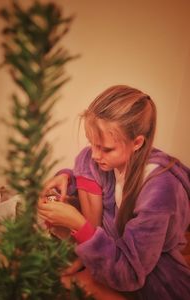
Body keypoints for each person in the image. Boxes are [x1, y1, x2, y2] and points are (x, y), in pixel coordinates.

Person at [38, 85, 190, 299]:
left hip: (150, 278)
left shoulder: (161, 189)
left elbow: (129, 274)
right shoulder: (105, 162)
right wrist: (66, 177)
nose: (95, 155)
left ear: (137, 142)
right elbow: (91, 176)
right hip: (106, 254)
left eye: (106, 149)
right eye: (92, 144)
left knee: (64, 285)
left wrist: (79, 226)